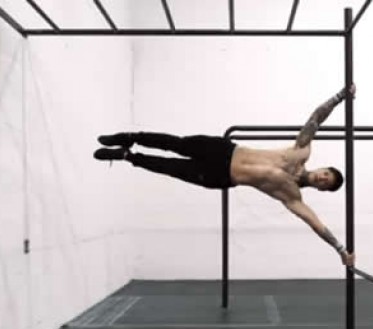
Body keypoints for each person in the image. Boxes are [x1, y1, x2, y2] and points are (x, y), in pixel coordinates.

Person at [94, 85, 356, 267]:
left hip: (220, 176)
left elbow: (316, 224)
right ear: (323, 168)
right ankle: (129, 137)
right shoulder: (300, 152)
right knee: (175, 143)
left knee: (169, 167)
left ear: (322, 190)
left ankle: (126, 156)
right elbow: (316, 118)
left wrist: (341, 250)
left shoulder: (292, 197)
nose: (323, 179)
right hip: (224, 150)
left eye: (326, 183)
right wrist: (340, 96)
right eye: (326, 174)